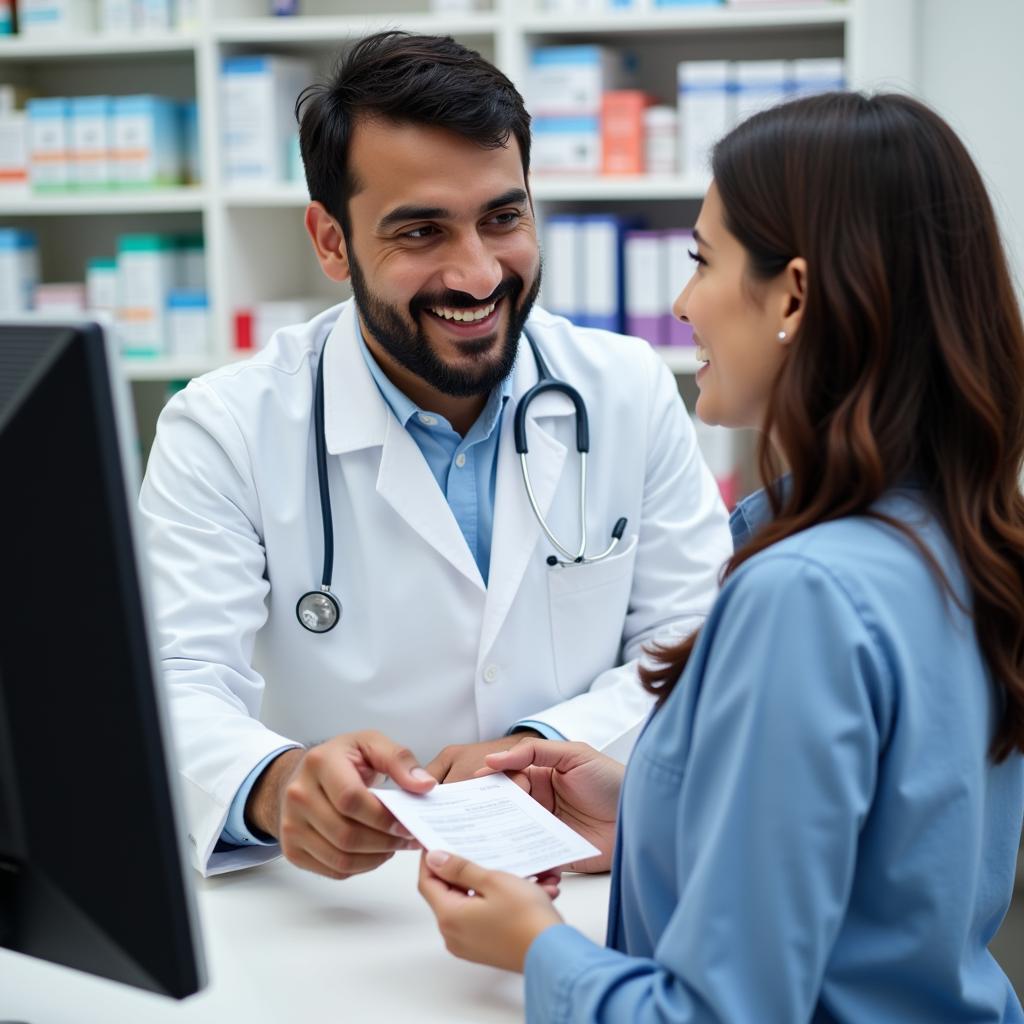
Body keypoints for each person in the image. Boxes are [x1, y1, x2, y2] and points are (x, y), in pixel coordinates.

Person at [418, 90, 1024, 1022]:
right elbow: (885, 862)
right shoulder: (961, 533)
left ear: (793, 293)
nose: (681, 301)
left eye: (703, 260)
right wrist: (651, 808)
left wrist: (538, 950)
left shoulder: (808, 592)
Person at [139, 31, 731, 878]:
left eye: (504, 216)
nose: (478, 273)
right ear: (332, 240)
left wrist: (542, 750)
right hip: (330, 914)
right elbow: (172, 683)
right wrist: (277, 784)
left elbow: (692, 642)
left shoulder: (625, 388)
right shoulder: (224, 428)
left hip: (578, 882)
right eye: (420, 231)